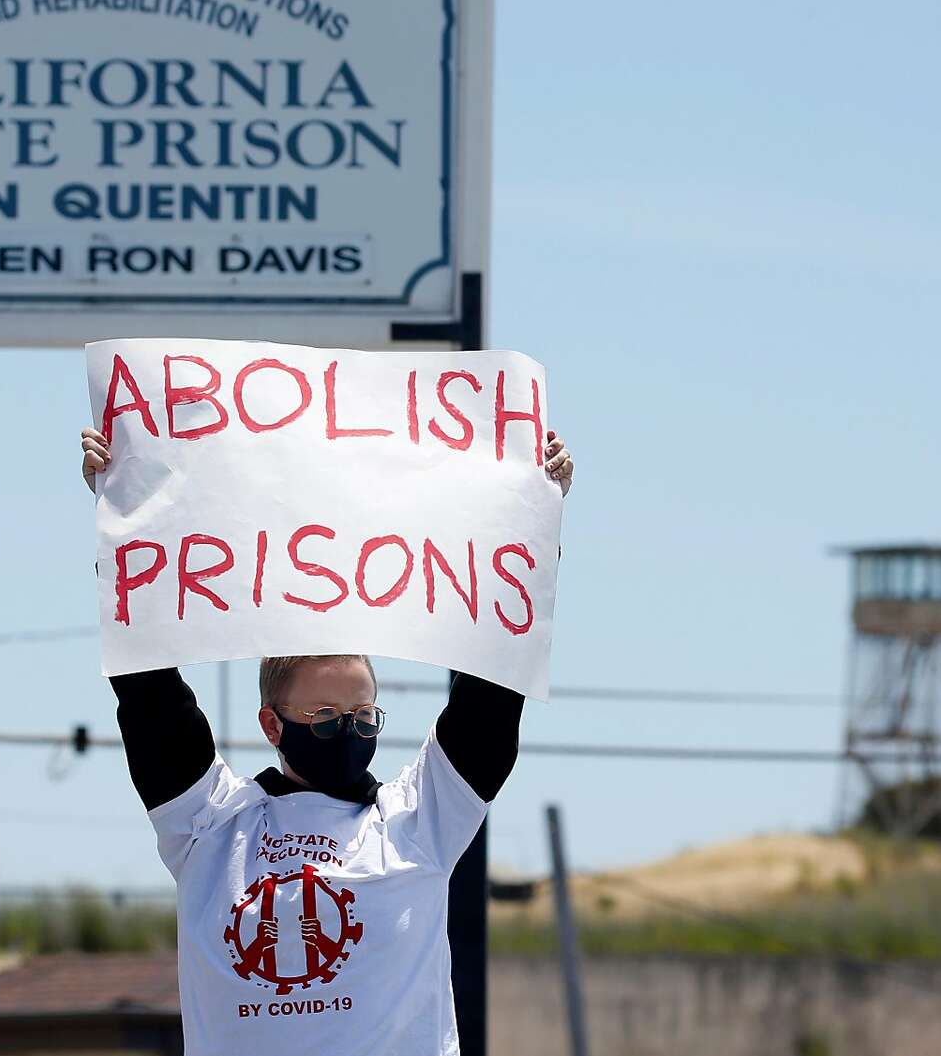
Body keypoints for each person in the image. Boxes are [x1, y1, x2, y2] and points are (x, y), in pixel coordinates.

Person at [79, 423, 574, 1055]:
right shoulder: (208, 826)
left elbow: (491, 699)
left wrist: (537, 521)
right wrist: (119, 512)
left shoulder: (419, 820)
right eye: (324, 712)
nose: (349, 728)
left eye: (363, 713)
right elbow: (149, 696)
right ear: (272, 723)